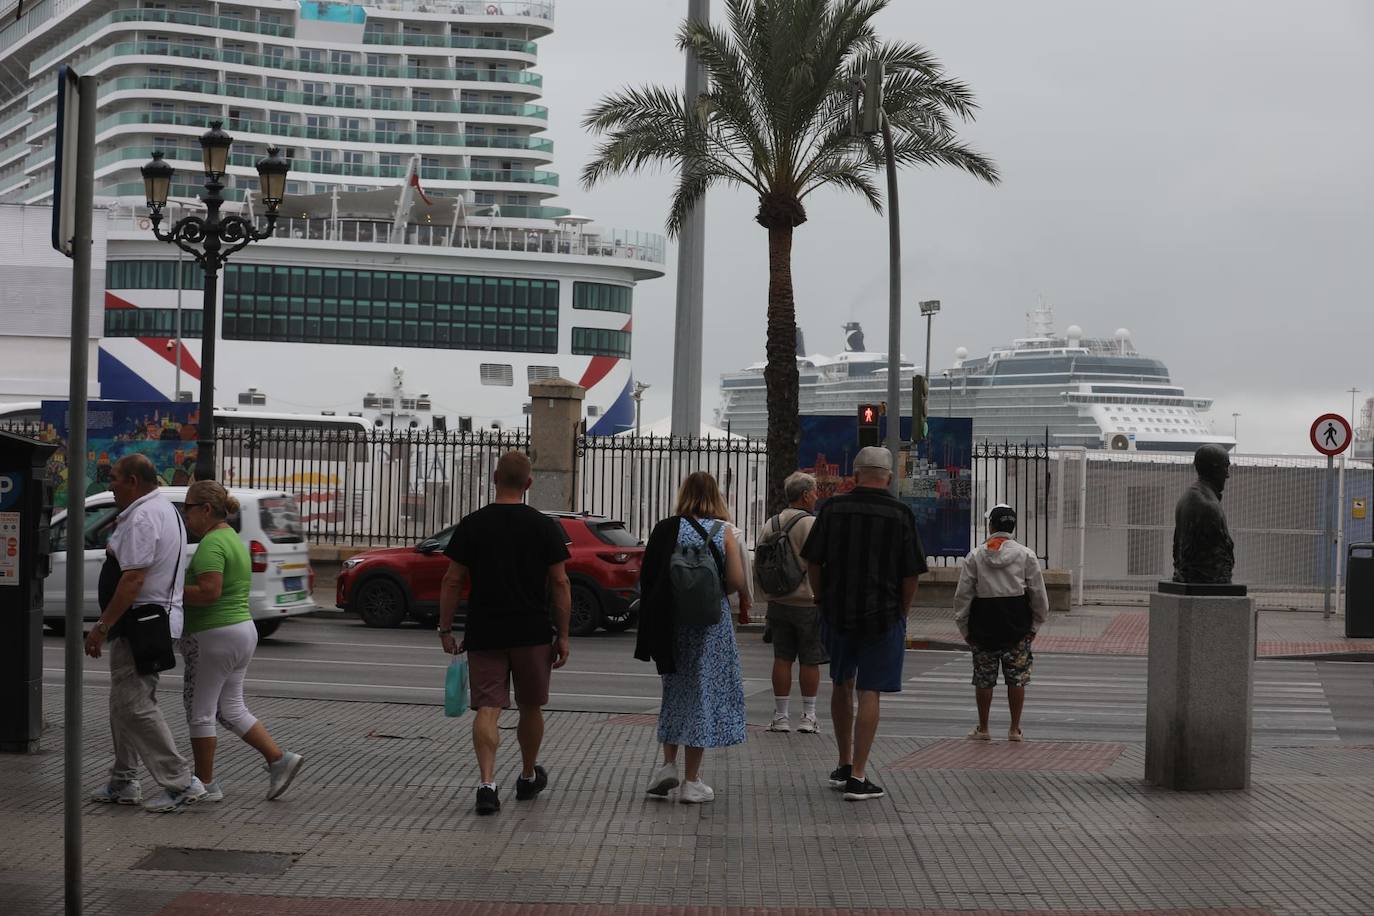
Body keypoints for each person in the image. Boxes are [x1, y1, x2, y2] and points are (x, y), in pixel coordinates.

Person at [438, 451, 571, 816]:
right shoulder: (544, 527)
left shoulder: (473, 524)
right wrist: (563, 635)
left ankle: (486, 784)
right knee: (531, 706)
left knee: (488, 708)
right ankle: (528, 776)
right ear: (528, 484)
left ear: (495, 478)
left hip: (485, 630)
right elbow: (560, 582)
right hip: (532, 631)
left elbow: (452, 580)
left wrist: (446, 628)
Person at [801, 447, 927, 802]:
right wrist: (902, 610)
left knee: (841, 681)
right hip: (883, 615)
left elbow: (813, 560)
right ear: (888, 476)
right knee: (869, 690)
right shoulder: (901, 514)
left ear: (854, 475)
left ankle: (842, 762)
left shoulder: (833, 509)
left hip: (837, 611)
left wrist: (821, 597)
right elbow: (911, 573)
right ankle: (859, 774)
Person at [84, 454, 207, 813]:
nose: (111, 484)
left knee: (135, 705)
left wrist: (102, 625)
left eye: (116, 478)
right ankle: (124, 780)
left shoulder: (143, 516)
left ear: (134, 481)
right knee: (123, 702)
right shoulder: (165, 510)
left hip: (143, 622)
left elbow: (133, 578)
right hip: (148, 621)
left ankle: (181, 781)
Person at [178, 480, 305, 801]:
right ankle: (279, 760)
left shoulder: (211, 544)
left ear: (206, 510)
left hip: (214, 635)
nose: (184, 514)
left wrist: (170, 591)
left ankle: (204, 785)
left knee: (201, 712)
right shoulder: (233, 539)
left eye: (188, 508)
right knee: (230, 708)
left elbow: (209, 592)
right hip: (241, 630)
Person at [634, 471, 749, 804]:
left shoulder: (666, 529)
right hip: (711, 627)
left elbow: (650, 577)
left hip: (673, 626)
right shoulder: (723, 531)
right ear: (716, 496)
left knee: (675, 691)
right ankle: (692, 781)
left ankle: (668, 764)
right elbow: (736, 581)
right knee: (702, 695)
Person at [954, 504, 1050, 742]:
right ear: (1012, 526)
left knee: (984, 678)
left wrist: (965, 629)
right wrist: (1034, 627)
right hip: (1017, 628)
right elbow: (1039, 595)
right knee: (1016, 679)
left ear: (992, 526)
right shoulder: (1026, 554)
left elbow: (963, 596)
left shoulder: (975, 556)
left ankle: (984, 728)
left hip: (983, 627)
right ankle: (1014, 729)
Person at [757, 471, 825, 734]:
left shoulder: (771, 523)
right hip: (807, 601)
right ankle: (808, 716)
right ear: (805, 494)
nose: (817, 497)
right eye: (815, 492)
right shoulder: (812, 524)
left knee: (782, 658)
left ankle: (781, 716)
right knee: (810, 660)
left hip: (778, 601)